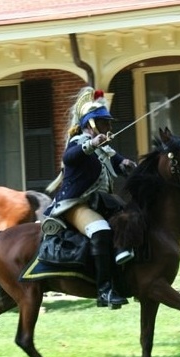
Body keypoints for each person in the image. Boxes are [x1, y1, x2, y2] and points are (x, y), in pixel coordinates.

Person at [44, 87, 137, 308]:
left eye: (108, 123)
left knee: (132, 218)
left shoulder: (106, 149)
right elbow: (69, 157)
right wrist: (91, 144)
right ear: (91, 124)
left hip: (100, 202)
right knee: (100, 230)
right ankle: (104, 291)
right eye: (104, 123)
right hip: (76, 204)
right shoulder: (78, 142)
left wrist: (127, 165)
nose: (108, 127)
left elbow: (118, 161)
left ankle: (126, 260)